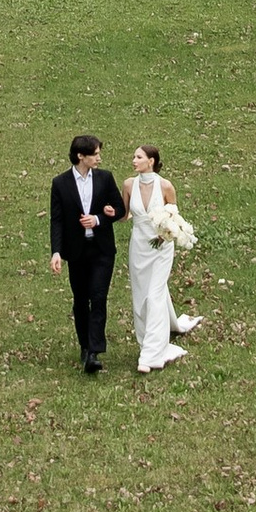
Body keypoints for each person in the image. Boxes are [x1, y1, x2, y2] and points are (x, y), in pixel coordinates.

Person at [48, 133, 125, 374]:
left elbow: (120, 209)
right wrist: (56, 252)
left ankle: (94, 351)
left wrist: (101, 218)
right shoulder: (60, 183)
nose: (99, 158)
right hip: (77, 251)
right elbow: (57, 220)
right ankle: (84, 345)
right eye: (95, 154)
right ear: (81, 156)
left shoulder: (105, 178)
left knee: (99, 296)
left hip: (101, 250)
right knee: (81, 300)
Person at [127, 144, 189, 374]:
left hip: (161, 248)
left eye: (139, 157)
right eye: (134, 157)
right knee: (141, 295)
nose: (134, 160)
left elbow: (174, 217)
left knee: (154, 295)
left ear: (151, 161)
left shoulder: (165, 186)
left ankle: (151, 354)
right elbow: (124, 215)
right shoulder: (128, 185)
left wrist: (166, 234)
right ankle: (146, 339)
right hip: (139, 247)